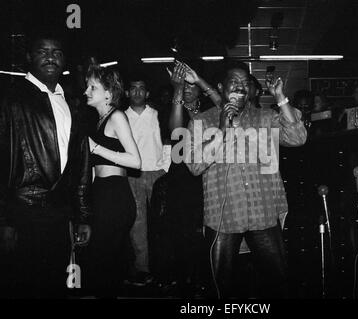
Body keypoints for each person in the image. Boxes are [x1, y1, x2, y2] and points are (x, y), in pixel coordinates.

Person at [183, 61, 307, 298]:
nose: (240, 87)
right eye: (234, 82)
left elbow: (298, 137)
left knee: (279, 283)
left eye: (245, 83)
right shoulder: (201, 122)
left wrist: (280, 97)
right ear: (221, 87)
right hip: (223, 219)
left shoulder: (265, 118)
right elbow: (195, 166)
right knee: (220, 288)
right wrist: (221, 131)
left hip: (263, 214)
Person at [0, 33, 91, 298]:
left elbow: (81, 164)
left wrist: (83, 216)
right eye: (43, 51)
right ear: (28, 57)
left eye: (57, 52)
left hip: (60, 215)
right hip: (23, 213)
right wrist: (4, 220)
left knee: (54, 284)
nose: (51, 57)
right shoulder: (10, 99)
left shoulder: (72, 103)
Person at [84, 65, 141, 297]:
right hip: (103, 193)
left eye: (92, 87)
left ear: (108, 93)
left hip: (115, 196)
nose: (86, 90)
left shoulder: (116, 116)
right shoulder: (100, 120)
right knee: (105, 261)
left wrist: (96, 147)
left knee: (105, 261)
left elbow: (135, 161)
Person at [165, 61, 219, 297]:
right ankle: (185, 281)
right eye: (182, 86)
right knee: (182, 231)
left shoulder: (210, 111)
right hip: (181, 177)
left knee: (204, 231)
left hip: (206, 175)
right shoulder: (171, 107)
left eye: (190, 85)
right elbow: (176, 133)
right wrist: (177, 90)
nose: (186, 88)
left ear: (198, 87)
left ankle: (204, 280)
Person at [124, 75, 170, 286]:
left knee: (162, 223)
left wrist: (165, 168)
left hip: (158, 174)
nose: (137, 92)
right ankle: (142, 270)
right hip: (133, 175)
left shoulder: (159, 115)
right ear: (127, 93)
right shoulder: (120, 118)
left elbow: (169, 140)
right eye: (133, 88)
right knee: (138, 224)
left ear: (148, 93)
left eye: (141, 88)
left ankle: (164, 269)